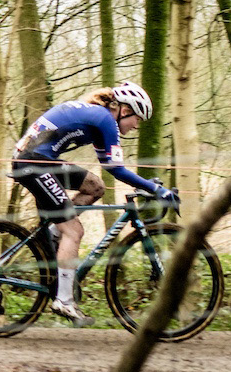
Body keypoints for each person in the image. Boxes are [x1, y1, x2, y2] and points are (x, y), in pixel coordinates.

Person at [10, 81, 177, 325]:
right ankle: (64, 301)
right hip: (33, 163)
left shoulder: (100, 120)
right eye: (137, 119)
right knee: (75, 230)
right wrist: (154, 188)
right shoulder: (105, 120)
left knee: (95, 186)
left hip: (37, 160)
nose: (137, 126)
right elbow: (118, 170)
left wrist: (146, 185)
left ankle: (55, 232)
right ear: (124, 109)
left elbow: (110, 167)